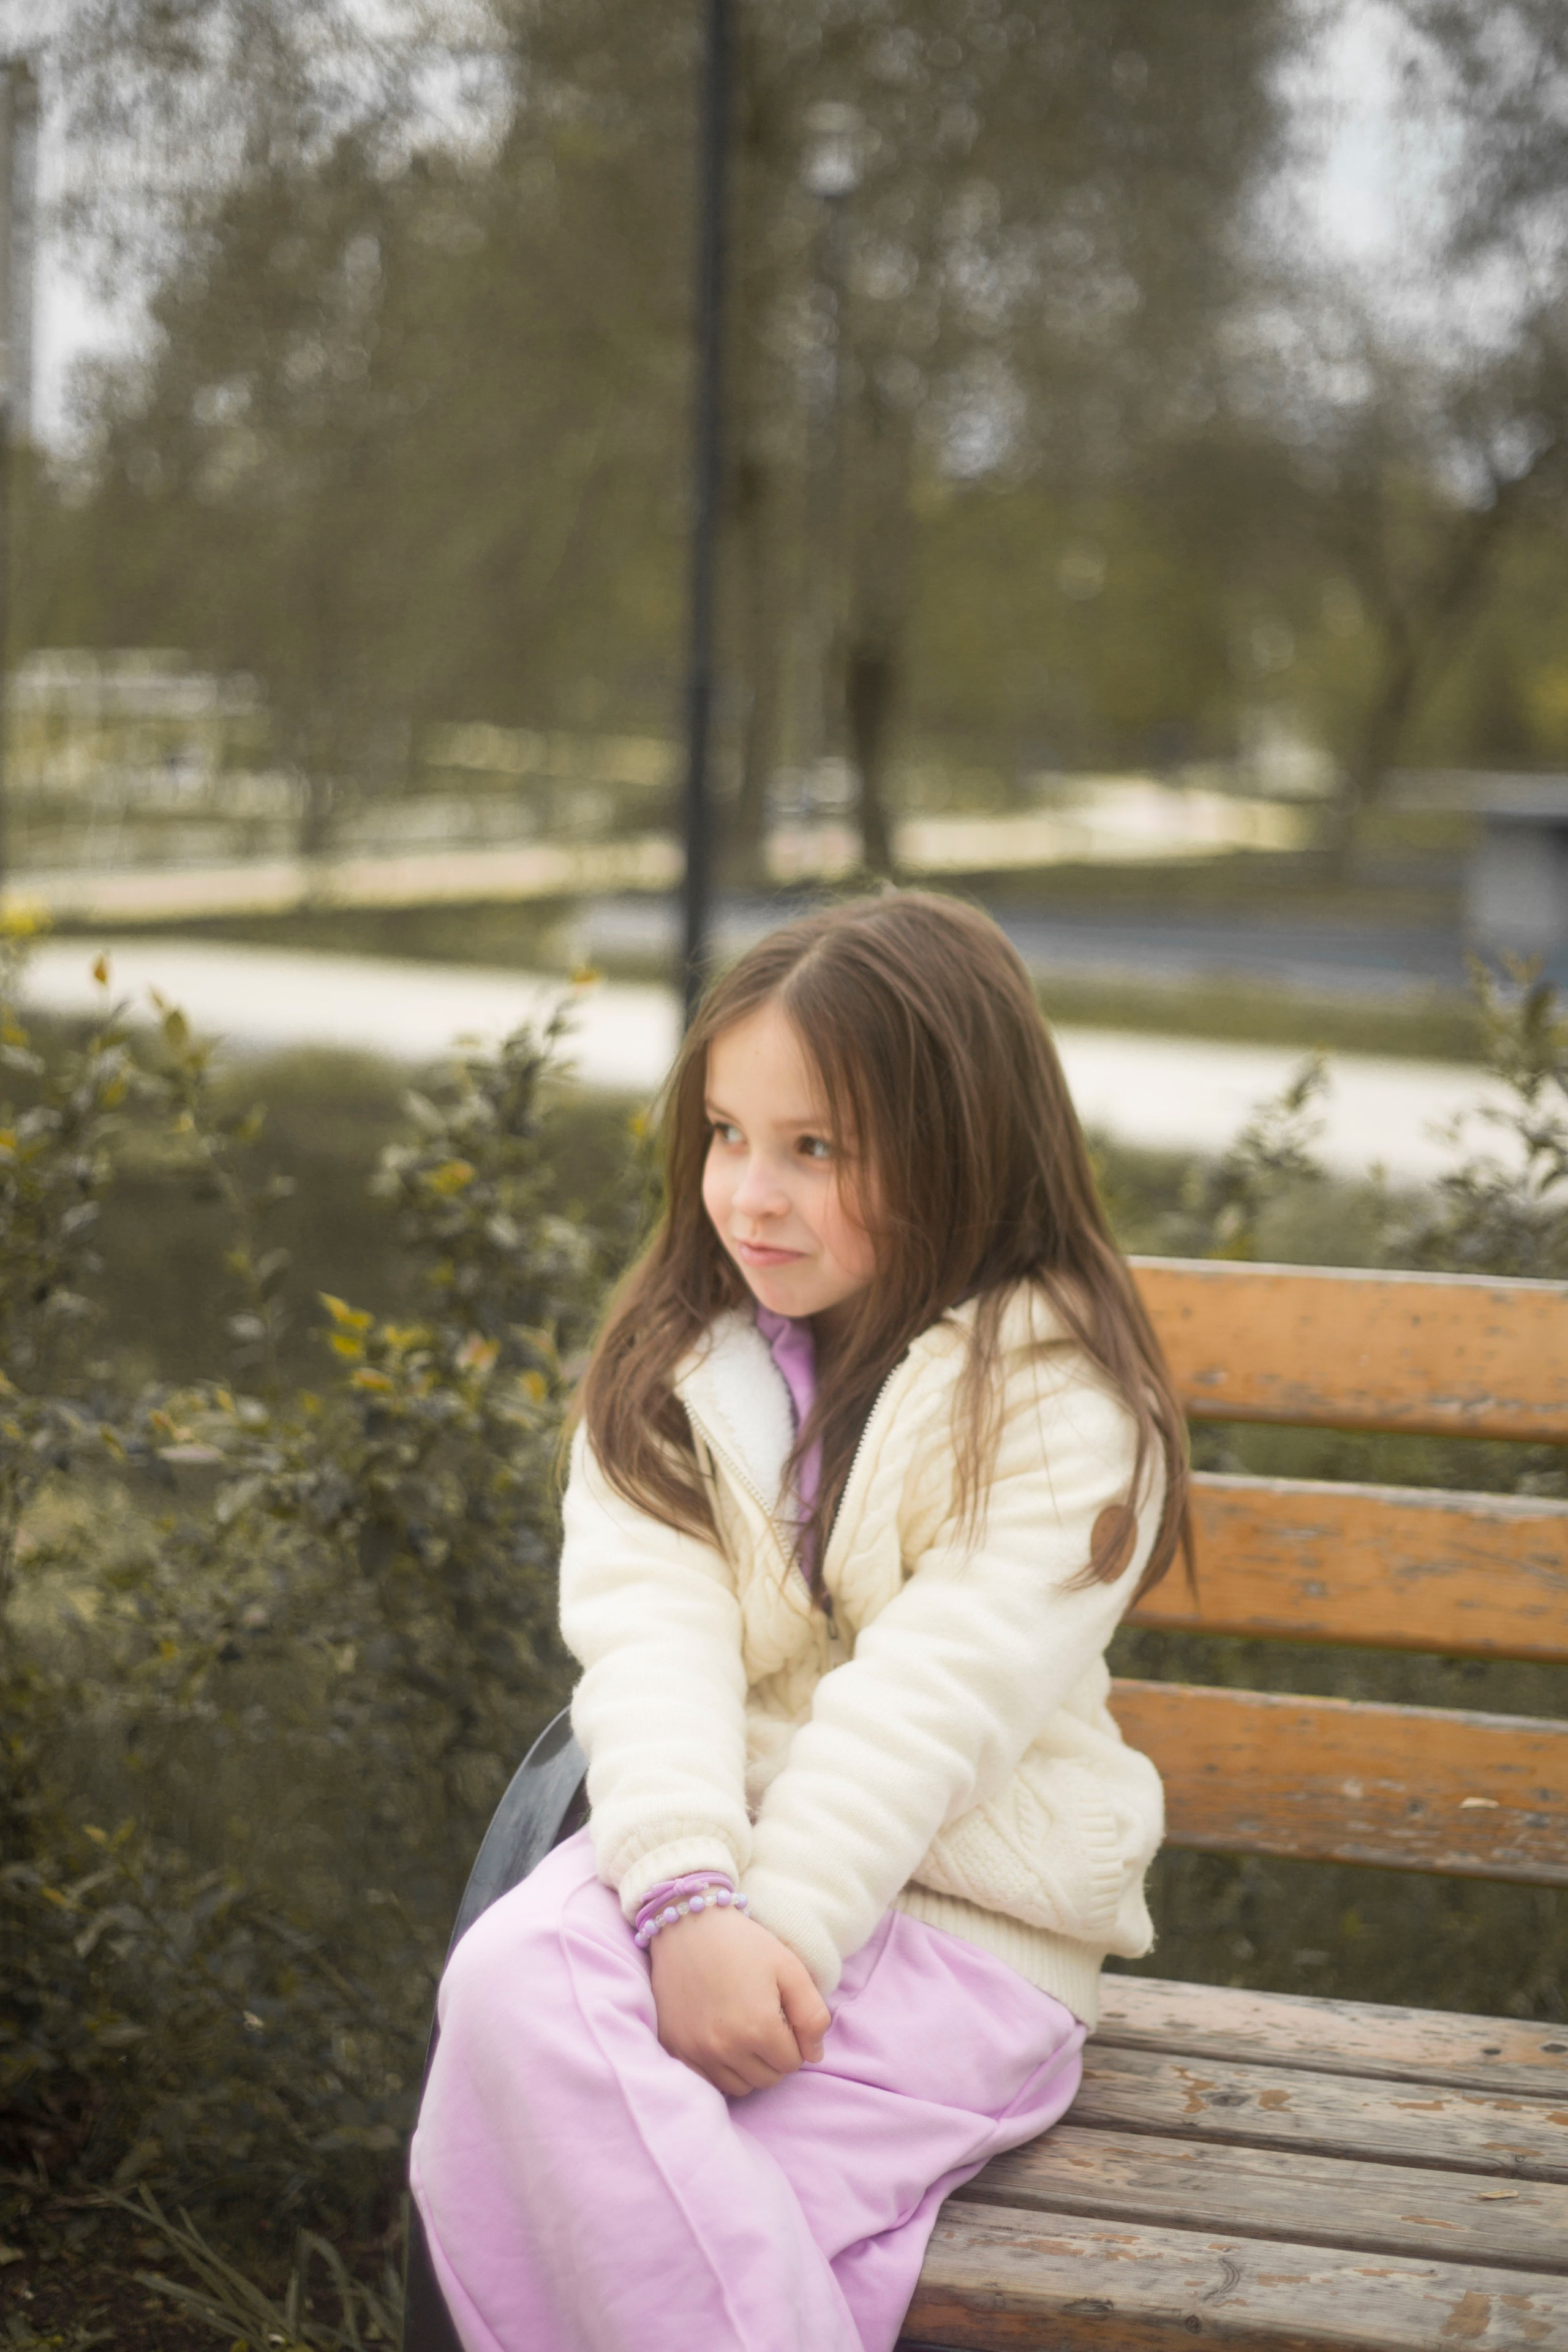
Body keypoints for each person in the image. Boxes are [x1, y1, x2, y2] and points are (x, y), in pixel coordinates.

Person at [410, 892, 1190, 2352]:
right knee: (517, 1982)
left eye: (812, 1148)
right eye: (724, 1134)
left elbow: (931, 1707)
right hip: (698, 1893)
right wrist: (688, 1900)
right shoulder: (673, 1372)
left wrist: (769, 1931)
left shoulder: (1055, 1402)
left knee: (634, 2212)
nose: (747, 1196)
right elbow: (649, 1650)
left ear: (962, 1144)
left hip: (959, 1938)